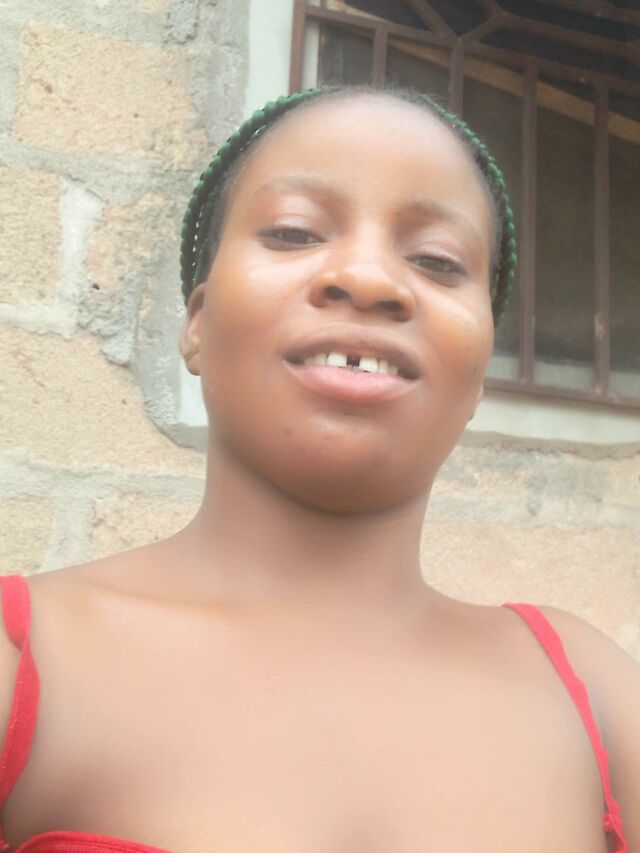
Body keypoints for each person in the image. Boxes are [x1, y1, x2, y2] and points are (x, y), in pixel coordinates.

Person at [0, 83, 637, 853]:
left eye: (438, 261)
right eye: (294, 232)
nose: (368, 278)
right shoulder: (24, 658)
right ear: (196, 322)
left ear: (478, 373)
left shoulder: (596, 696)